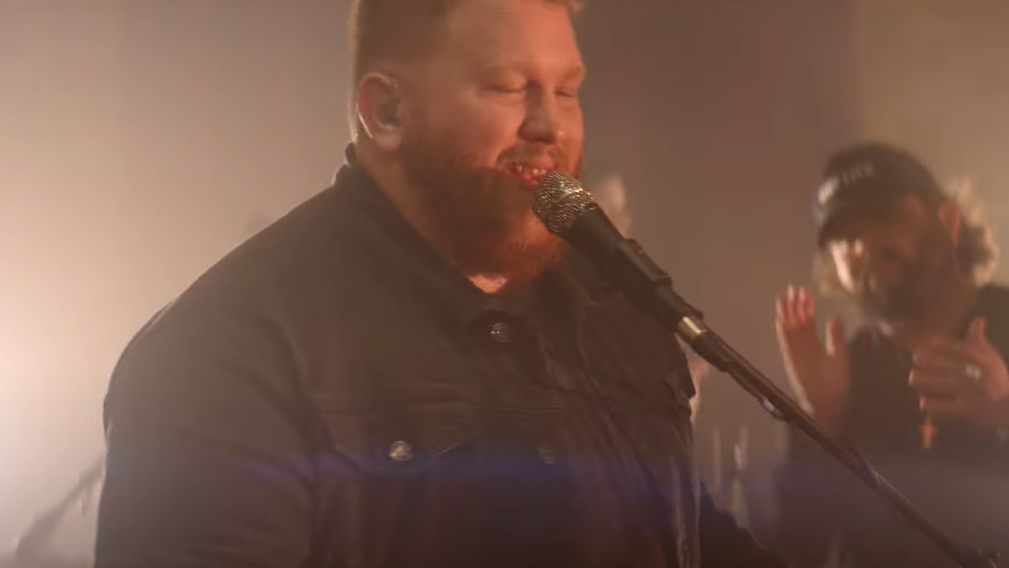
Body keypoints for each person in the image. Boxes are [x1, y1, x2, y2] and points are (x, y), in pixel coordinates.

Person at [93, 1, 781, 567]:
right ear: (386, 112)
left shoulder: (614, 305)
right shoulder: (227, 351)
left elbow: (681, 532)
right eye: (508, 86)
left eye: (567, 91)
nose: (550, 124)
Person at [772, 142, 1009, 567]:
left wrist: (1005, 414)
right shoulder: (843, 369)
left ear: (948, 221)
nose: (862, 246)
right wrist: (816, 422)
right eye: (844, 236)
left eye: (882, 218)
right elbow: (797, 551)